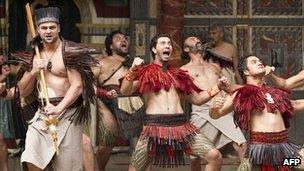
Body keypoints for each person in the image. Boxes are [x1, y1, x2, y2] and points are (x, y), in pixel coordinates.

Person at [121, 33, 229, 171]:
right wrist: (132, 69)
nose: (167, 46)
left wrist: (217, 87)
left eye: (169, 44)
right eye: (163, 43)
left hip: (181, 128)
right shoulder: (144, 72)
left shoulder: (179, 74)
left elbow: (197, 99)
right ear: (154, 50)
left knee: (214, 156)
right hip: (154, 128)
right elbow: (125, 91)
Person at [14, 7, 96, 170]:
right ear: (37, 30)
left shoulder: (69, 52)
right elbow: (23, 91)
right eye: (44, 28)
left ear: (58, 28)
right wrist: (33, 72)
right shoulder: (33, 55)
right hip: (43, 114)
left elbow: (77, 86)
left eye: (52, 27)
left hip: (68, 113)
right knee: (31, 155)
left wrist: (58, 108)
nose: (48, 31)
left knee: (67, 166)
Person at [210, 54, 304, 170]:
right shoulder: (241, 93)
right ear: (246, 72)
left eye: (260, 61)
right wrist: (214, 108)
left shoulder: (274, 92)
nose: (259, 63)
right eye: (254, 62)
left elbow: (293, 105)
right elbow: (216, 114)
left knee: (299, 162)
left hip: (283, 152)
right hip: (263, 152)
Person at [180, 36, 247, 171]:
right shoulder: (184, 70)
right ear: (186, 49)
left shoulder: (215, 67)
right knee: (195, 156)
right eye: (192, 39)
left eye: (198, 39)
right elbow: (191, 98)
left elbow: (229, 87)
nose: (196, 40)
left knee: (242, 144)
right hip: (201, 112)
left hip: (222, 110)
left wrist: (251, 88)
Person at [85, 30, 144, 171]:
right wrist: (102, 93)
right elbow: (86, 83)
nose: (123, 40)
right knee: (106, 144)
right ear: (111, 46)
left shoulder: (135, 63)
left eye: (125, 38)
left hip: (132, 103)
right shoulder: (101, 62)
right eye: (118, 38)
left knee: (144, 144)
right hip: (106, 103)